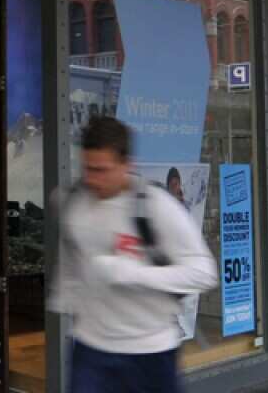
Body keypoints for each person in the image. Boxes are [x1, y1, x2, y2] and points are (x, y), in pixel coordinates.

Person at [50, 117, 218, 393]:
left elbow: (204, 272)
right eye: (88, 168)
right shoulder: (75, 202)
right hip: (91, 350)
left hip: (150, 352)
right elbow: (71, 264)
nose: (93, 179)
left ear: (127, 165)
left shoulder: (156, 207)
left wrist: (131, 273)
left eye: (102, 170)